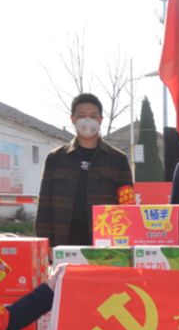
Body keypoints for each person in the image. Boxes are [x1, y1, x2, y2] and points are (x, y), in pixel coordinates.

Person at [35, 93, 135, 247]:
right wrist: (45, 244)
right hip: (63, 242)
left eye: (93, 116)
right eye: (81, 116)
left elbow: (127, 207)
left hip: (105, 245)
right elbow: (44, 205)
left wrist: (125, 245)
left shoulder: (118, 159)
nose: (87, 121)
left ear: (100, 120)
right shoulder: (55, 158)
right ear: (73, 119)